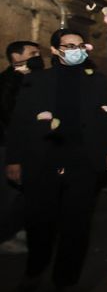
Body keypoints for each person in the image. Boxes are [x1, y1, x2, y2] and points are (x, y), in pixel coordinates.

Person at [5, 29, 107, 292]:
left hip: (82, 160)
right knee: (40, 221)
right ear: (55, 50)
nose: (76, 50)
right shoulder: (37, 81)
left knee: (77, 223)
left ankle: (66, 279)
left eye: (80, 45)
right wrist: (14, 159)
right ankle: (35, 269)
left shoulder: (96, 81)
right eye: (69, 46)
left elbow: (104, 118)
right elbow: (19, 122)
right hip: (43, 159)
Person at [0, 40, 42, 253]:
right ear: (16, 57)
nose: (37, 57)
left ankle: (23, 231)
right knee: (11, 194)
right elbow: (10, 117)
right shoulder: (8, 81)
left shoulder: (33, 79)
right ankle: (6, 236)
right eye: (33, 53)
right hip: (10, 146)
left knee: (28, 192)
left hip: (29, 146)